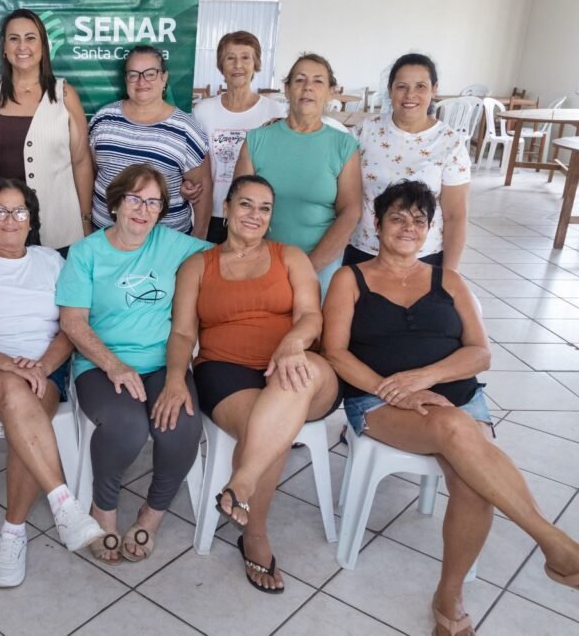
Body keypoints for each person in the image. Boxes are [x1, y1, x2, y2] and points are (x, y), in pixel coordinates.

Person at [323, 180, 579, 634]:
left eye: (418, 220)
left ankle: (450, 593)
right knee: (454, 428)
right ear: (377, 224)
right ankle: (554, 544)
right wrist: (394, 388)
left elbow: (480, 353)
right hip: (378, 401)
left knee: (471, 479)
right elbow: (336, 352)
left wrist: (426, 377)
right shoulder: (351, 278)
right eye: (397, 217)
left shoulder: (450, 280)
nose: (408, 227)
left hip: (457, 395)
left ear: (429, 231)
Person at [159, 174, 340, 593]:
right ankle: (254, 535)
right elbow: (184, 334)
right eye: (245, 205)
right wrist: (174, 377)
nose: (254, 215)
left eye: (264, 208)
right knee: (269, 424)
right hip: (225, 371)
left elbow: (312, 316)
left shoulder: (290, 257)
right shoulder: (197, 266)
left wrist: (293, 344)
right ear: (227, 208)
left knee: (294, 384)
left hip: (297, 368)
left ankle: (242, 482)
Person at [0, 177, 105, 587]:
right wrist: (13, 367)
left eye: (19, 211)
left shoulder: (52, 261)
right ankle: (63, 502)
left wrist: (43, 367)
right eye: (0, 210)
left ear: (32, 220)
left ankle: (13, 533)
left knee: (21, 407)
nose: (10, 220)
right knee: (15, 392)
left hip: (42, 371)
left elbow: (71, 326)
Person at [57, 163, 210, 564]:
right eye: (135, 199)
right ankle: (103, 510)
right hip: (100, 363)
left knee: (181, 425)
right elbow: (72, 321)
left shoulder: (174, 244)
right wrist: (113, 365)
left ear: (162, 211)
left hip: (162, 361)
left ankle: (152, 514)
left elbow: (232, 255)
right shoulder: (86, 251)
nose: (143, 210)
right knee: (127, 426)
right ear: (116, 202)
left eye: (154, 203)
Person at [235, 52, 361, 294]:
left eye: (318, 81)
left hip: (321, 264)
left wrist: (308, 268)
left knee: (314, 329)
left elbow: (350, 212)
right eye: (300, 80)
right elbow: (239, 206)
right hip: (260, 261)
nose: (308, 88)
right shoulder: (257, 139)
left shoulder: (344, 145)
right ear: (287, 88)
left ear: (331, 91)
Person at [0, 8, 94, 250]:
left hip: (58, 224)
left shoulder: (64, 94)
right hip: (2, 225)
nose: (22, 46)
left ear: (43, 46)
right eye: (14, 38)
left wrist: (85, 218)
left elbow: (81, 162)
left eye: (30, 38)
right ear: (4, 47)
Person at [347, 53, 470, 269]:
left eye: (420, 86)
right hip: (364, 252)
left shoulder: (450, 143)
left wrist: (449, 275)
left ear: (434, 89)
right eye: (402, 86)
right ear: (390, 90)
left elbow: (455, 215)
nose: (410, 95)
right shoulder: (365, 132)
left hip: (423, 258)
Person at [90, 45, 212, 238]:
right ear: (126, 79)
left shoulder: (186, 129)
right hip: (105, 238)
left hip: (165, 245)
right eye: (133, 74)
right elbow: (92, 172)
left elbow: (202, 189)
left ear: (164, 77)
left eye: (150, 73)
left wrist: (198, 241)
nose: (141, 81)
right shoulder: (103, 119)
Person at [192, 32, 285, 243]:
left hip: (254, 216)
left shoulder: (275, 111)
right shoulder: (203, 110)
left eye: (245, 57)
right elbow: (196, 163)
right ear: (221, 65)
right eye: (230, 58)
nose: (237, 65)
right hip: (213, 212)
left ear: (256, 64)